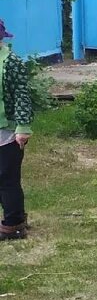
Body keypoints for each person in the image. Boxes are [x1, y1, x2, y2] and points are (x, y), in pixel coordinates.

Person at [0, 19, 34, 240]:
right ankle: (16, 217)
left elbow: (22, 95)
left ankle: (14, 225)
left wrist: (23, 127)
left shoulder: (11, 62)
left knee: (6, 178)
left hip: (8, 131)